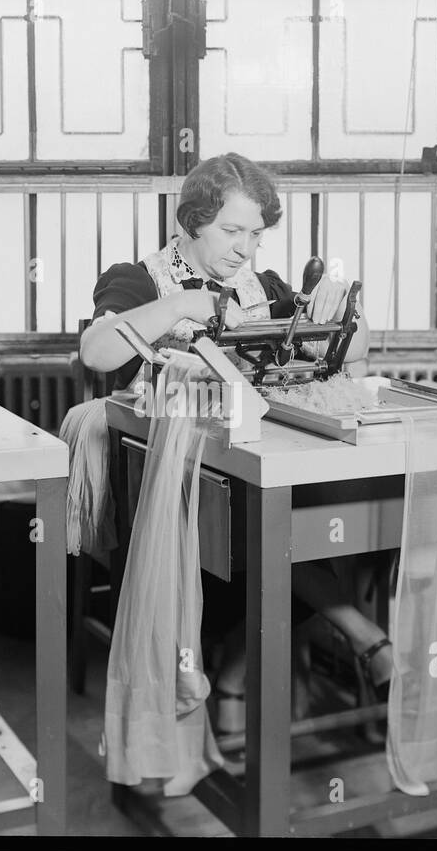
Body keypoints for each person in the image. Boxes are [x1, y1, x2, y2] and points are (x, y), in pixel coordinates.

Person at [80, 152, 390, 734]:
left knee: (297, 523)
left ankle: (231, 680)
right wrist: (180, 305)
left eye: (255, 234)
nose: (244, 249)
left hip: (244, 461)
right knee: (274, 534)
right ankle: (356, 641)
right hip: (159, 479)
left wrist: (342, 310)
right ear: (190, 221)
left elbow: (346, 358)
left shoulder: (263, 288)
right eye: (230, 231)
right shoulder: (138, 279)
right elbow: (97, 353)